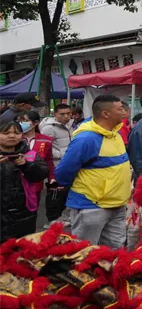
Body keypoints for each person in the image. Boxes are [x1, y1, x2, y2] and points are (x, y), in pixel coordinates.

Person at [55, 94, 132, 249]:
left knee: (113, 253)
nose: (124, 112)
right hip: (91, 206)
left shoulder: (114, 134)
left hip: (117, 205)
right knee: (84, 253)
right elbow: (63, 172)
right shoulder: (86, 138)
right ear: (105, 113)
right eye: (120, 109)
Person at [0, 119, 51, 242]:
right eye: (6, 133)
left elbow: (42, 173)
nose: (12, 136)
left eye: (16, 133)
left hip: (24, 211)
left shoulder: (29, 154)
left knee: (21, 250)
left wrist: (26, 165)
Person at [40, 103, 74, 170]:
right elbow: (44, 148)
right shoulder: (48, 128)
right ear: (55, 114)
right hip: (57, 165)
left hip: (71, 162)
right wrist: (62, 154)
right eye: (62, 114)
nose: (66, 116)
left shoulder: (72, 125)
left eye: (68, 113)